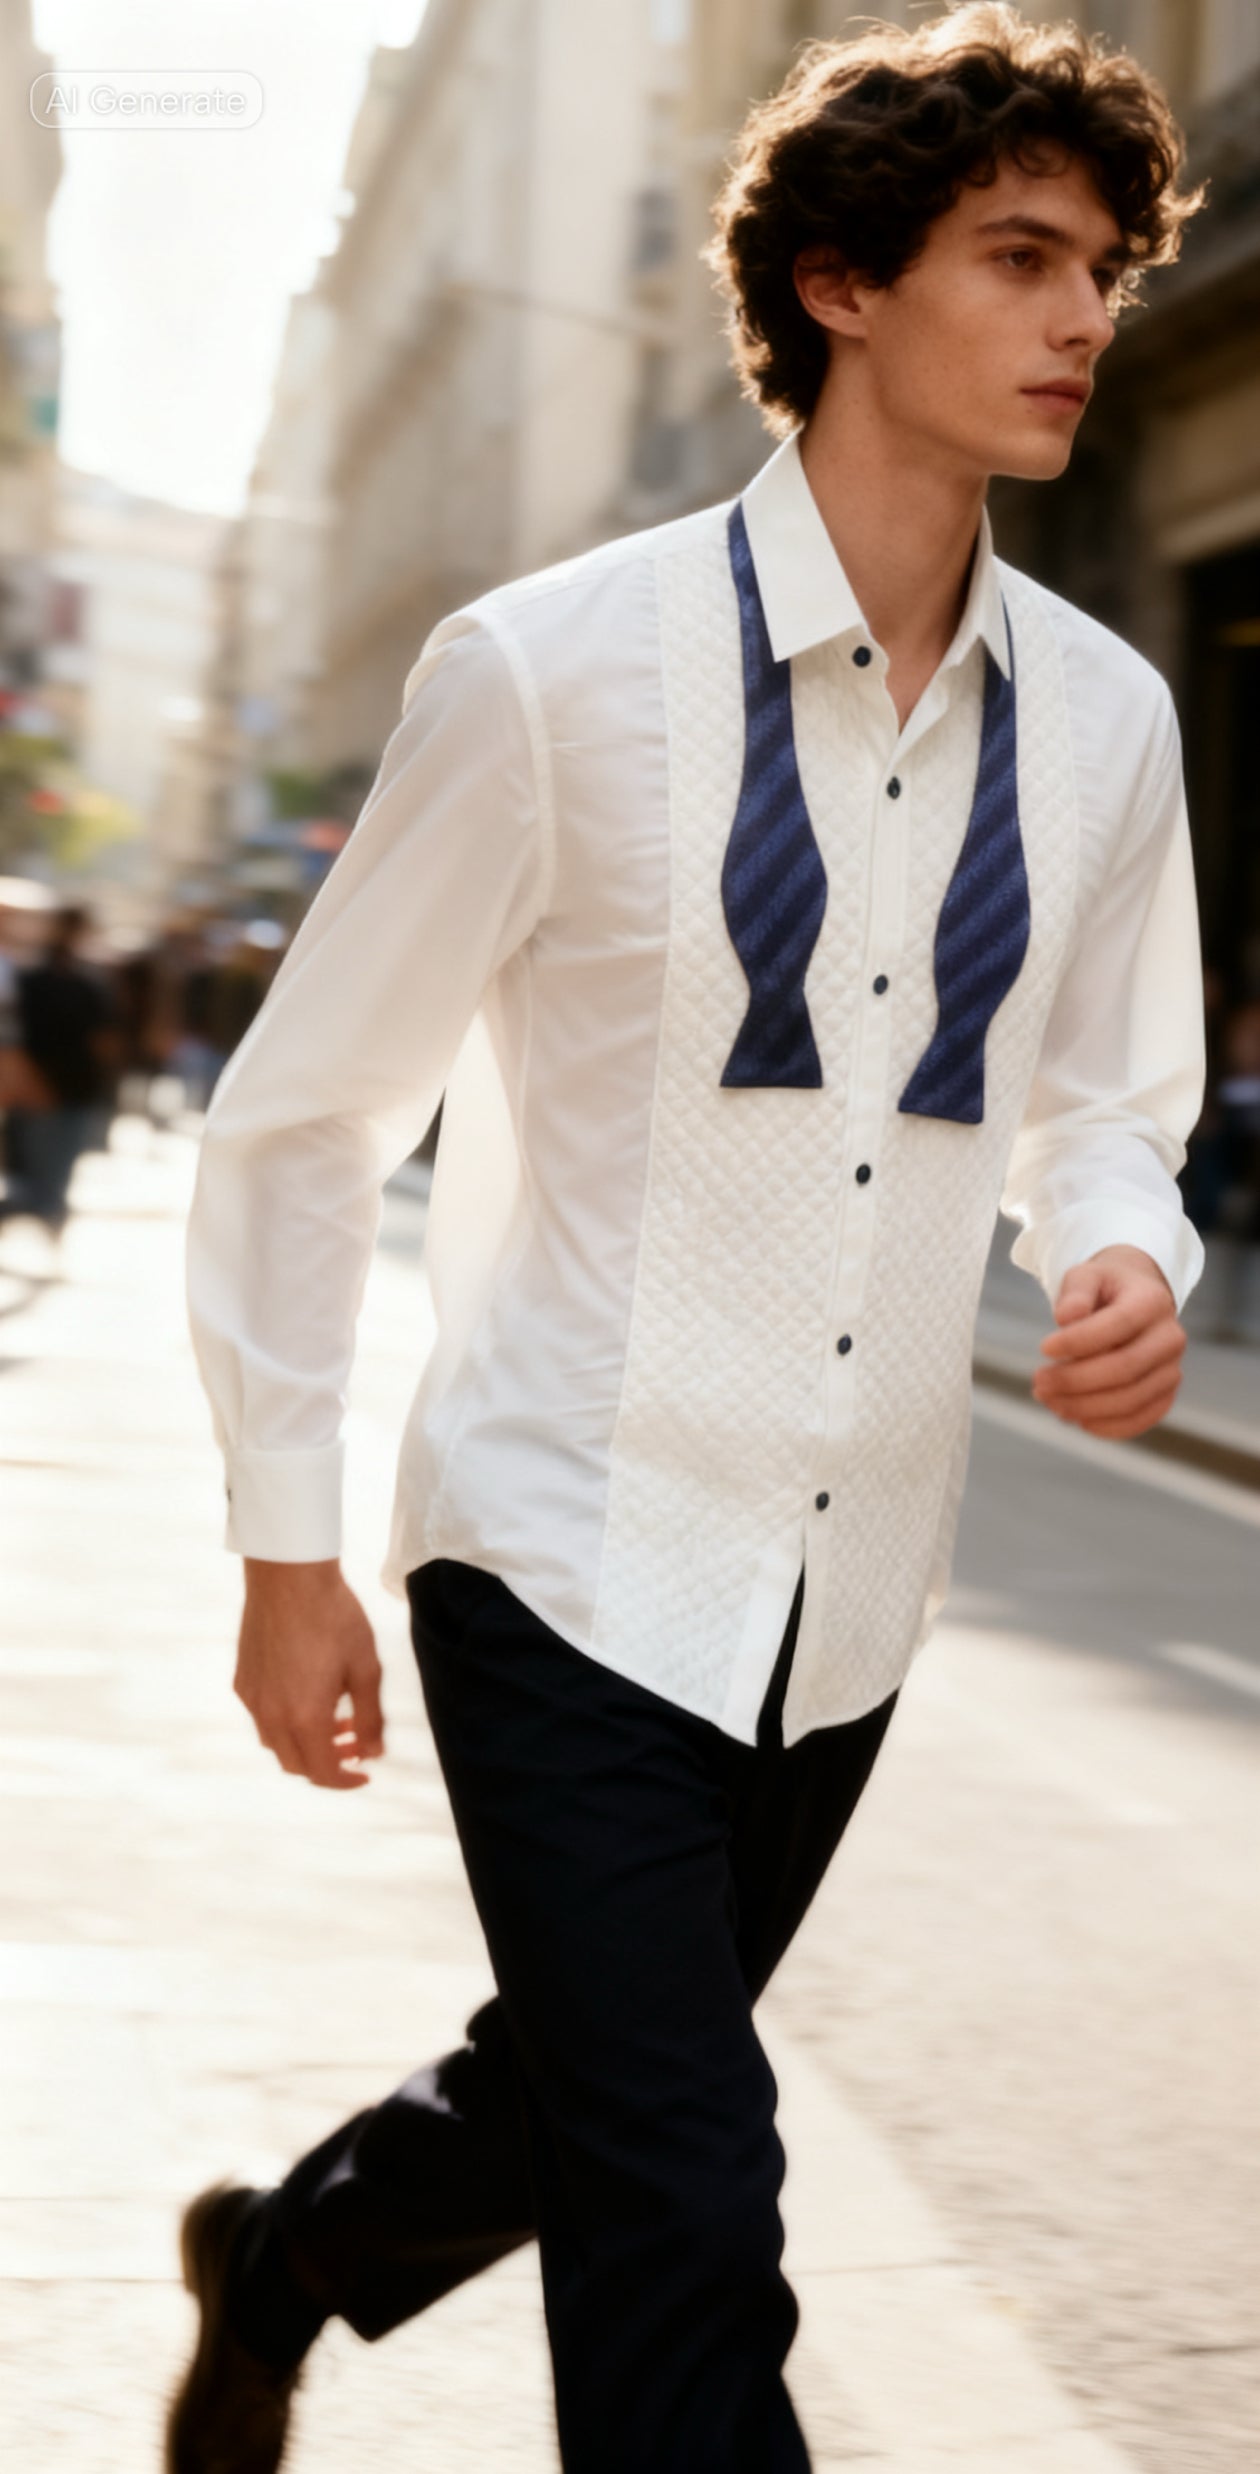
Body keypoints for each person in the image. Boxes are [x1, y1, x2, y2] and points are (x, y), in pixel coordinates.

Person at [171, 8, 1208, 2469]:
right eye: (1024, 257)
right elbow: (311, 1115)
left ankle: (294, 2254)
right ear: (843, 284)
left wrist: (1129, 1242)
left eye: (1109, 268)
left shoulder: (1109, 720)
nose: (1087, 319)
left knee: (584, 2098)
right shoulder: (548, 670)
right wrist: (283, 1539)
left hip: (848, 1582)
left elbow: (1104, 1092)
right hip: (564, 1544)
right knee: (688, 2190)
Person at [0, 904, 118, 1241]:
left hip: (60, 1089)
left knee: (41, 1178)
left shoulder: (79, 982)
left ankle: (49, 1226)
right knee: (41, 1183)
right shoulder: (33, 978)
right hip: (45, 1089)